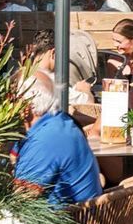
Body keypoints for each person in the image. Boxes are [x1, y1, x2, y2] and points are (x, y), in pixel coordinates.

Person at [13, 69, 102, 207]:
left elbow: (21, 200)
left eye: (9, 98)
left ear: (26, 105)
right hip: (83, 217)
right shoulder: (60, 121)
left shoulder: (46, 139)